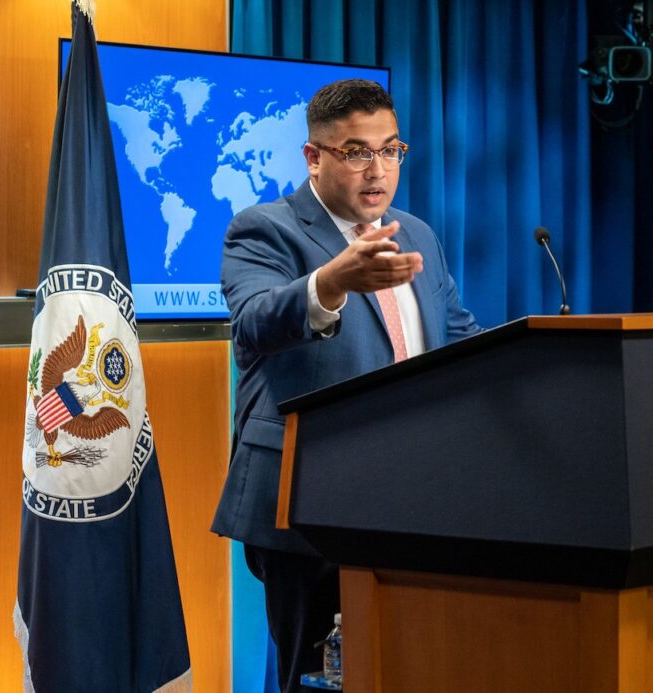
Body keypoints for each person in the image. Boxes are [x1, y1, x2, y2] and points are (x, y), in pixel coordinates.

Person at [210, 79, 482, 692]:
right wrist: (332, 281)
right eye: (357, 152)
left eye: (390, 150)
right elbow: (254, 322)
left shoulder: (416, 234)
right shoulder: (264, 229)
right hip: (310, 504)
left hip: (417, 498)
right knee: (316, 678)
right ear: (314, 157)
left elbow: (459, 337)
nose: (377, 169)